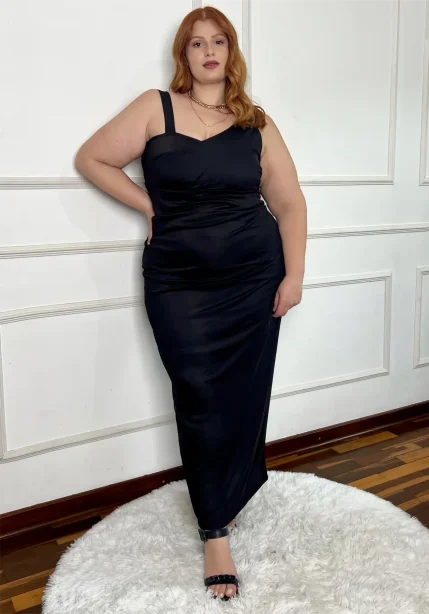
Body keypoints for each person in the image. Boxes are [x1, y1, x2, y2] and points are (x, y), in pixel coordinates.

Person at [74, 5, 307, 603]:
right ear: (183, 54)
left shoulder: (255, 121)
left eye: (219, 41)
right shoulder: (155, 107)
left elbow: (290, 203)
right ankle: (214, 528)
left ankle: (223, 507)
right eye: (197, 43)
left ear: (231, 53)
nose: (208, 52)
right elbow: (92, 158)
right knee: (198, 391)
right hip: (178, 282)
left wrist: (295, 276)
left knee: (243, 392)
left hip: (253, 278)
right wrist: (150, 206)